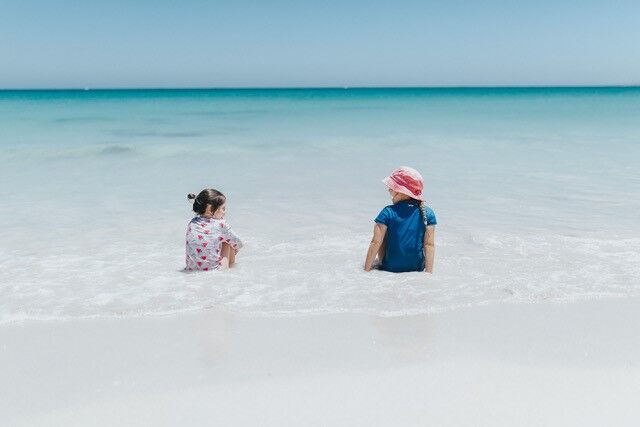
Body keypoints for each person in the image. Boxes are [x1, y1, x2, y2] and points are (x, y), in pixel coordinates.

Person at [364, 166, 436, 273]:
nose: (389, 190)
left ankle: (381, 263)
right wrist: (428, 274)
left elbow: (375, 242)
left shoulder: (388, 211)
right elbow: (429, 245)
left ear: (402, 192)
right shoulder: (427, 213)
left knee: (381, 236)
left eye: (391, 188)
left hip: (390, 267)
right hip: (417, 268)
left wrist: (365, 271)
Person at [185, 188, 243, 271]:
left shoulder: (192, 223)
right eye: (223, 208)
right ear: (210, 209)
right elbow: (239, 243)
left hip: (191, 270)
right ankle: (231, 269)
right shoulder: (220, 225)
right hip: (214, 272)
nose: (225, 212)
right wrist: (234, 250)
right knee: (228, 243)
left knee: (219, 241)